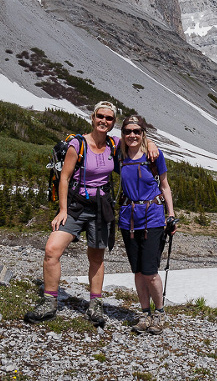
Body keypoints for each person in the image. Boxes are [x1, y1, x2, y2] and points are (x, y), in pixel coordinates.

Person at [24, 102, 157, 326]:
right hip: (76, 206)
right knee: (51, 250)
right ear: (93, 117)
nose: (104, 121)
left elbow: (137, 139)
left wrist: (151, 142)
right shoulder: (78, 144)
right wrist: (63, 210)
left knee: (96, 257)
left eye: (109, 118)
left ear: (113, 123)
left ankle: (95, 305)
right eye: (100, 116)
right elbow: (65, 178)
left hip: (101, 207)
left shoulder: (115, 144)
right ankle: (49, 302)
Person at [118, 115, 176, 335]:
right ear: (122, 134)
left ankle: (158, 313)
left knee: (150, 271)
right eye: (127, 131)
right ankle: (144, 314)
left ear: (143, 133)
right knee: (138, 272)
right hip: (128, 219)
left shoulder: (154, 155)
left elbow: (165, 185)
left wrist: (170, 214)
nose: (132, 135)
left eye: (137, 131)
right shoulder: (119, 154)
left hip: (152, 217)